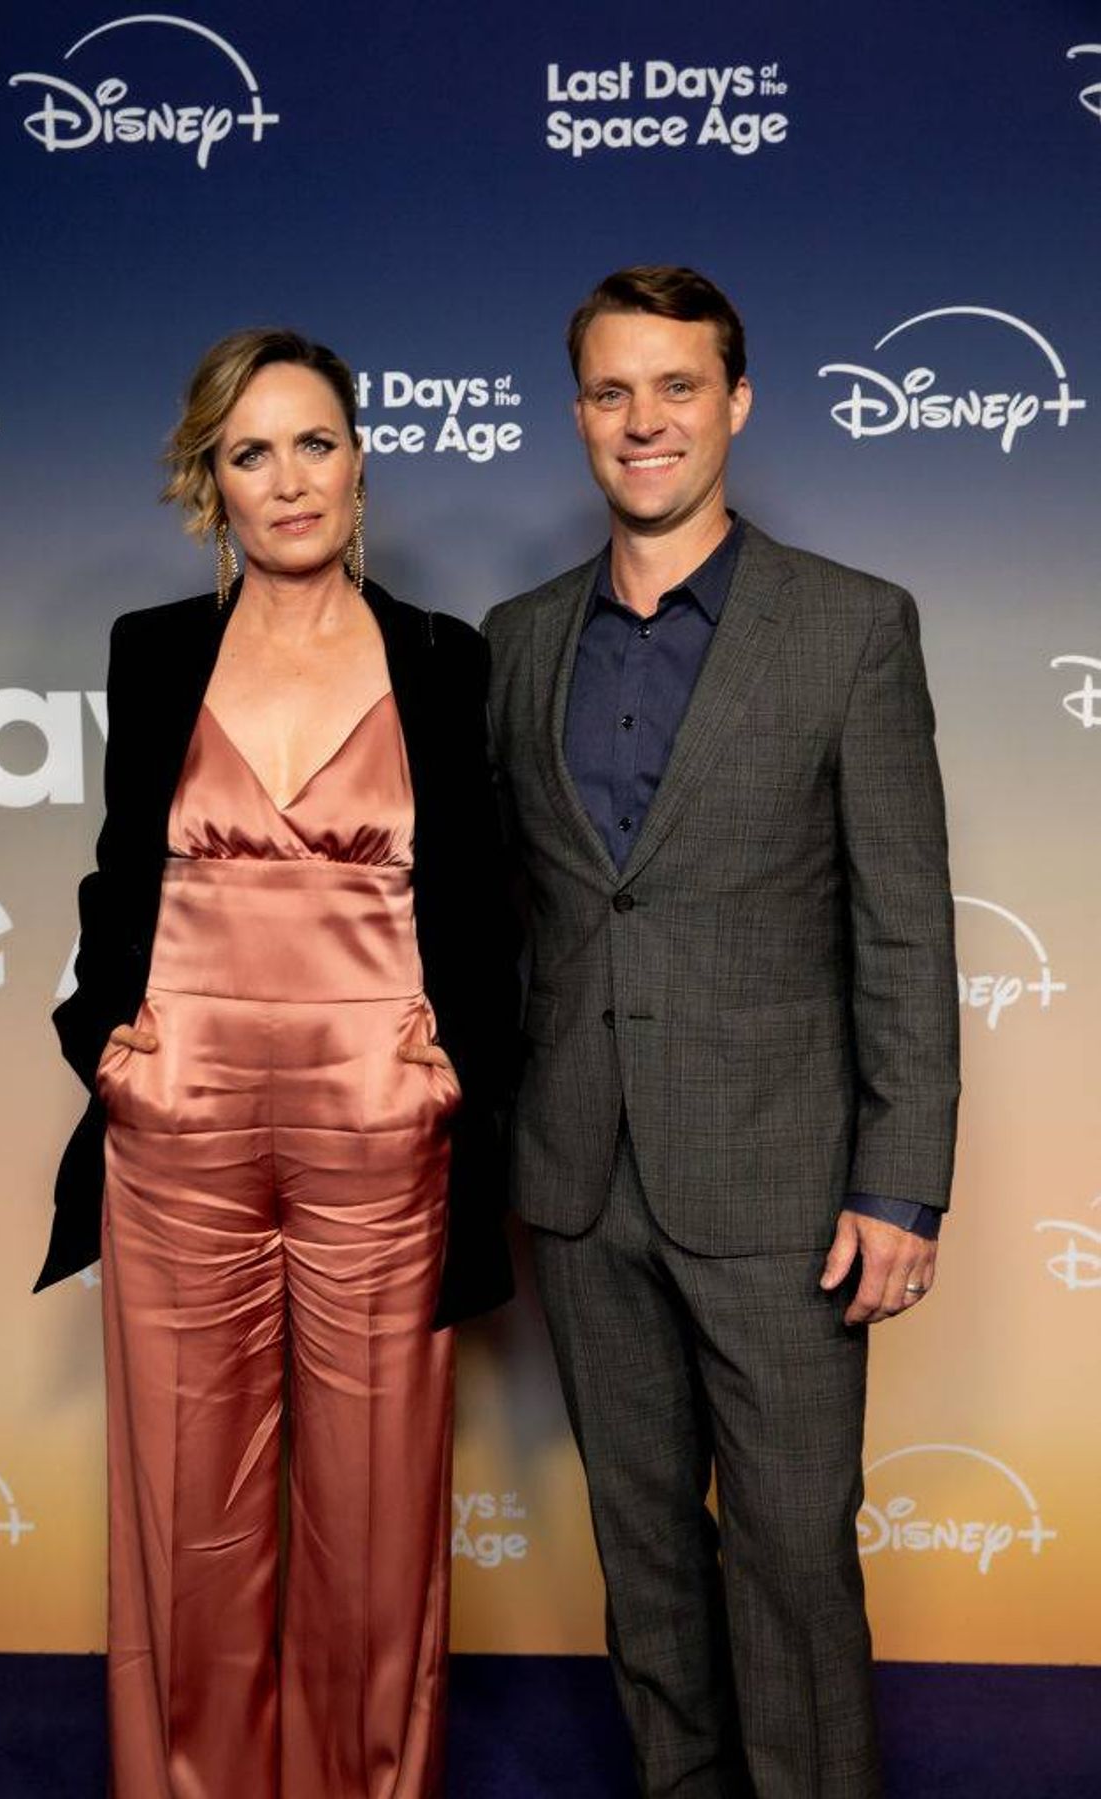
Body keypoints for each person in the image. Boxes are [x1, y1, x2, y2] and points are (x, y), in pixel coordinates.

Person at [482, 267, 960, 1799]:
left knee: (795, 1561)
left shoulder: (850, 628)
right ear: (578, 418)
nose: (646, 421)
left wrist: (902, 1184)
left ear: (737, 403)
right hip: (578, 1179)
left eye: (677, 387)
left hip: (780, 1188)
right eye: (614, 392)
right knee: (647, 1561)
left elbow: (903, 926)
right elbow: (509, 915)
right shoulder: (514, 639)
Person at [39, 328, 516, 1799]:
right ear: (212, 486)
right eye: (252, 453)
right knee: (193, 1518)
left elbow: (488, 903)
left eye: (314, 442)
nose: (289, 479)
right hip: (179, 1127)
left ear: (362, 460)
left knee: (373, 1523)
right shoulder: (153, 648)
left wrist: (454, 1068)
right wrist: (101, 1045)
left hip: (381, 1126)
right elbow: (122, 874)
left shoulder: (444, 657)